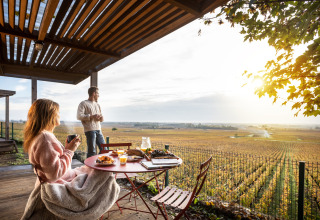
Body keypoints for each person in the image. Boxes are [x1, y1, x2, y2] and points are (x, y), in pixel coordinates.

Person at [21, 99, 120, 220]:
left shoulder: (40, 135)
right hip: (59, 182)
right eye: (57, 112)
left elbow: (51, 163)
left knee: (97, 170)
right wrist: (70, 151)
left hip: (63, 176)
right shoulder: (45, 138)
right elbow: (53, 175)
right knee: (106, 175)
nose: (59, 115)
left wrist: (67, 148)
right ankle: (93, 212)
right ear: (49, 115)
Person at [77, 86, 105, 158]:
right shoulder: (83, 103)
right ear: (93, 93)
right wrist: (91, 116)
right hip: (90, 130)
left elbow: (101, 119)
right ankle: (89, 167)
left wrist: (101, 118)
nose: (99, 95)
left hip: (99, 129)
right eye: (98, 93)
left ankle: (98, 162)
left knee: (104, 149)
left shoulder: (97, 105)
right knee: (92, 151)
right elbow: (79, 116)